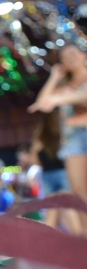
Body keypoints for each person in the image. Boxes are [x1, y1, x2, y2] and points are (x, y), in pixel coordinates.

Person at [29, 45, 87, 231]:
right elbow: (43, 103)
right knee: (79, 193)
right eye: (64, 57)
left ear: (83, 54)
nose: (69, 57)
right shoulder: (64, 87)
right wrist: (54, 77)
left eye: (73, 53)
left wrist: (59, 100)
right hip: (74, 138)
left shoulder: (68, 93)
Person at [31, 112, 82, 234]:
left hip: (47, 175)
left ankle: (50, 246)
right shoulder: (64, 135)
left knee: (51, 211)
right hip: (64, 173)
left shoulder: (40, 138)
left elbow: (34, 160)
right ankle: (80, 241)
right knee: (70, 208)